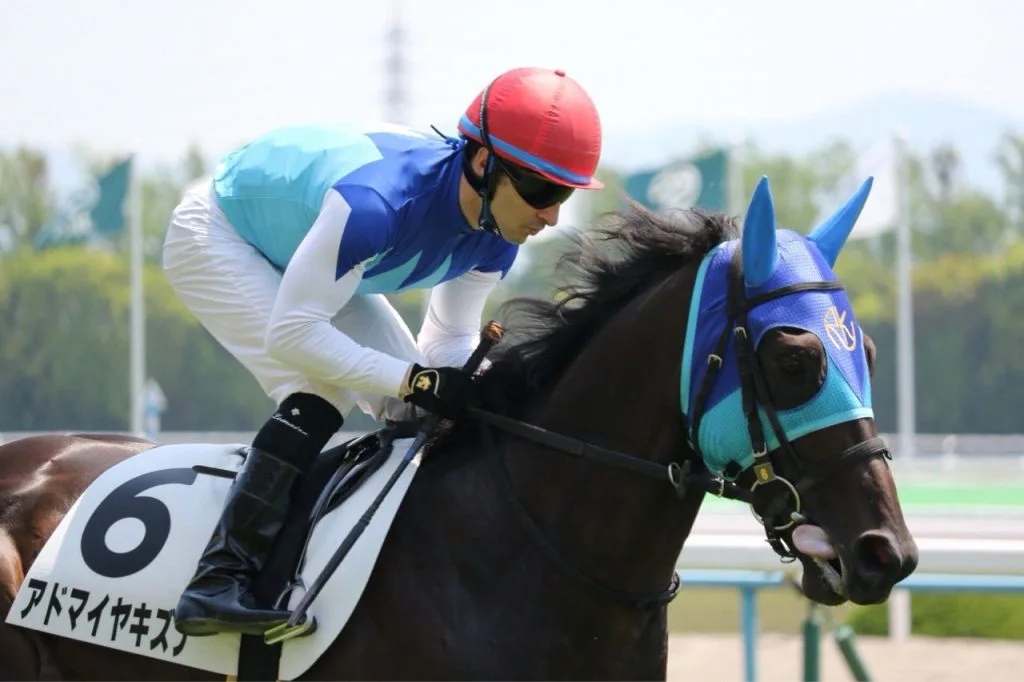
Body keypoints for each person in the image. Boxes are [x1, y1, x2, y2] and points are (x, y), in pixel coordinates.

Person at [161, 66, 604, 637]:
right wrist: (417, 380)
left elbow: (447, 342)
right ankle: (217, 581)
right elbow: (293, 334)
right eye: (542, 191)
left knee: (422, 413)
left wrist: (482, 385)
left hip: (306, 248)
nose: (552, 216)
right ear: (482, 163)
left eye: (563, 193)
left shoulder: (498, 235)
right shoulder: (379, 204)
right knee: (321, 385)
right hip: (221, 233)